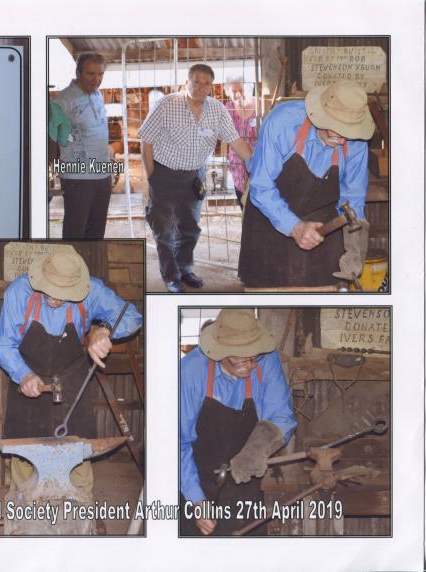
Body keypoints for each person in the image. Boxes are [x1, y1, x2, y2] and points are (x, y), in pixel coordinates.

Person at [0, 248, 143, 496]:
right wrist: (24, 374)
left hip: (73, 381)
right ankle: (22, 513)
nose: (56, 299)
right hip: (29, 378)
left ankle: (81, 511)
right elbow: (4, 345)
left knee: (77, 456)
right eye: (51, 291)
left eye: (65, 294)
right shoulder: (18, 293)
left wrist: (104, 330)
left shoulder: (92, 290)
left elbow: (133, 317)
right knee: (24, 458)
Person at [238, 80, 373, 289]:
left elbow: (353, 198)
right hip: (269, 219)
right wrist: (295, 227)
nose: (342, 142)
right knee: (271, 305)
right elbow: (261, 187)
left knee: (323, 300)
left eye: (348, 134)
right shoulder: (282, 123)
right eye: (337, 132)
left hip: (322, 230)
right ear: (321, 117)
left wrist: (355, 248)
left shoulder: (355, 141)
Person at [180, 309, 296, 536]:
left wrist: (257, 449)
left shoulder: (267, 360)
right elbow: (178, 442)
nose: (250, 365)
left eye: (253, 357)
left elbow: (282, 417)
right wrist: (196, 500)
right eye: (240, 358)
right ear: (220, 352)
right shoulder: (190, 372)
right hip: (194, 478)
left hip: (246, 482)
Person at [138, 63, 253, 293]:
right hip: (164, 173)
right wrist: (152, 176)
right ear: (187, 82)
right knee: (164, 230)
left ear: (212, 86)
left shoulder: (217, 110)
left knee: (190, 228)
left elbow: (237, 142)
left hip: (194, 177)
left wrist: (258, 166)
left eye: (207, 83)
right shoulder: (166, 104)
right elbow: (146, 141)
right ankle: (171, 276)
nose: (201, 87)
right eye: (197, 82)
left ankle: (184, 269)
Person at [52, 53, 113, 239]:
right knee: (75, 233)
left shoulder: (98, 95)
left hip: (103, 174)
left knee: (96, 233)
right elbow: (51, 138)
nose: (96, 79)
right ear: (78, 72)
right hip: (77, 177)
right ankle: (70, 269)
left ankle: (91, 268)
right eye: (90, 74)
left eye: (100, 74)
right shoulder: (63, 101)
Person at [224, 78, 258, 208]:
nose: (238, 94)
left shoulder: (260, 105)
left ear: (249, 89)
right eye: (234, 91)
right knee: (243, 200)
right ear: (227, 92)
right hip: (238, 163)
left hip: (258, 160)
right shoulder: (227, 109)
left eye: (241, 90)